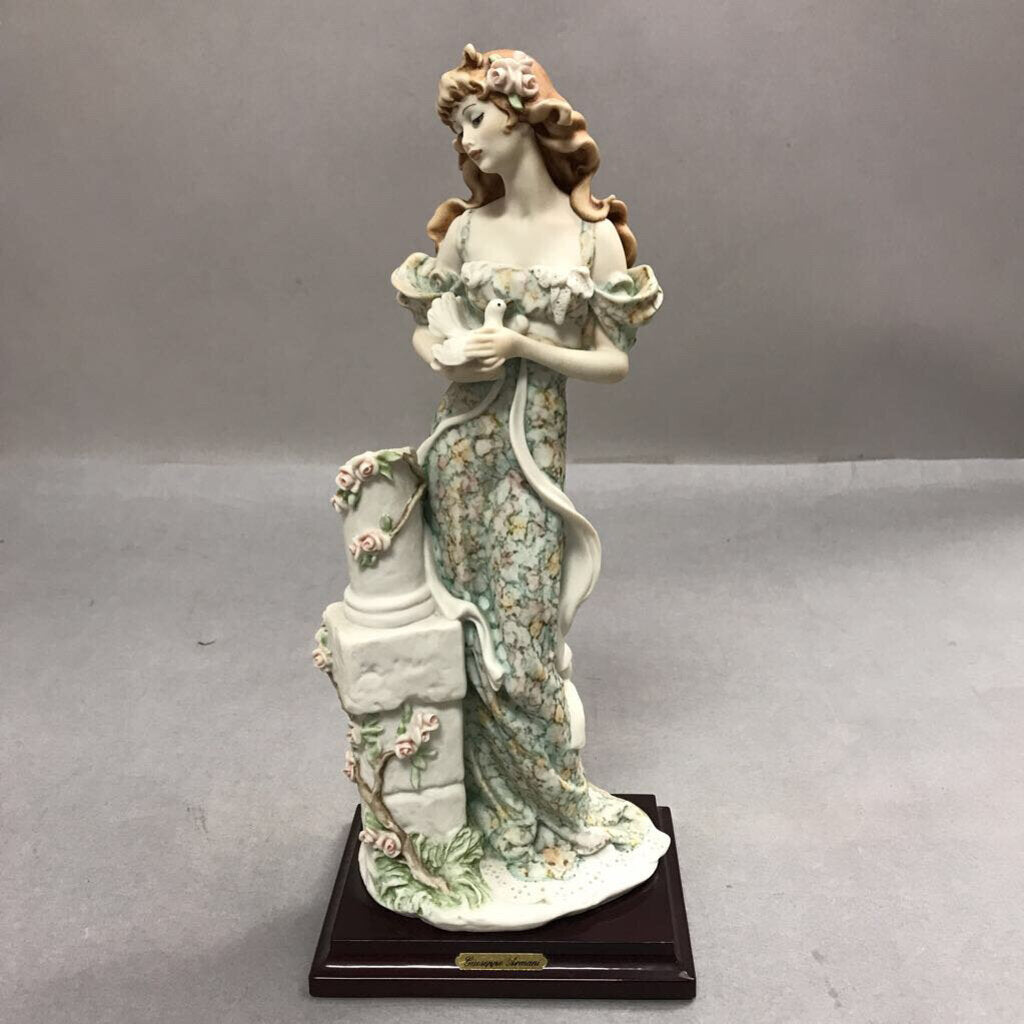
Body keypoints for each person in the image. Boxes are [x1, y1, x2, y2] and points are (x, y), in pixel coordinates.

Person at [391, 45, 666, 880]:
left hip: (531, 455)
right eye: (458, 130)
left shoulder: (592, 237)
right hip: (460, 451)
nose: (465, 140)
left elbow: (613, 361)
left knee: (524, 635)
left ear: (521, 115)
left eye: (476, 119)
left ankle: (547, 805)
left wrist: (521, 347)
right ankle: (476, 809)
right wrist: (446, 353)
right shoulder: (466, 230)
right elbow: (427, 326)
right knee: (462, 624)